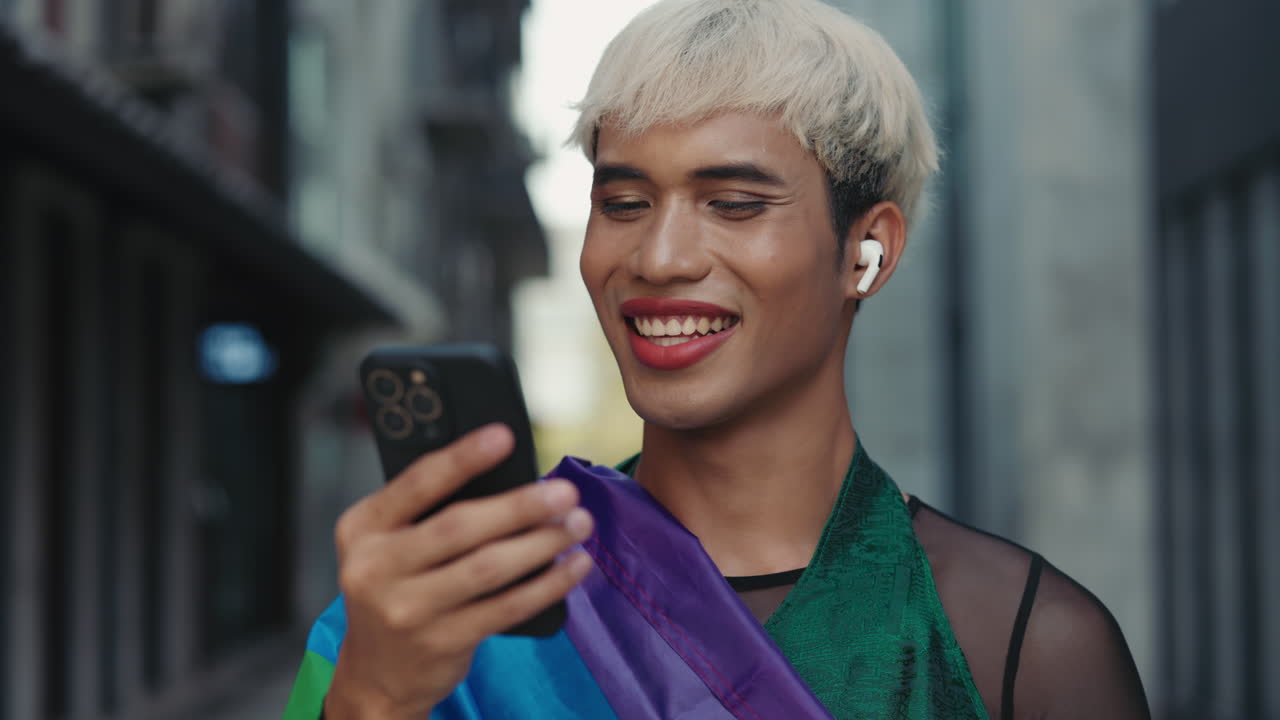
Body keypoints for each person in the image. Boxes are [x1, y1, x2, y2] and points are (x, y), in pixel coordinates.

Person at [283, 0, 1151, 717]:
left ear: (867, 252)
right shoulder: (434, 608)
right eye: (622, 201)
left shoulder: (1022, 644)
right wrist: (366, 699)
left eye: (733, 203)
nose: (658, 257)